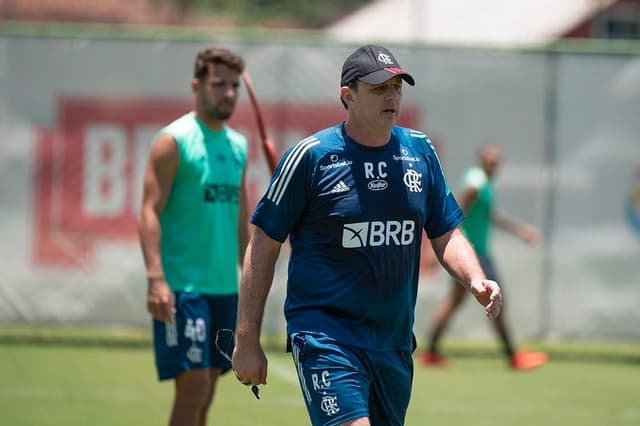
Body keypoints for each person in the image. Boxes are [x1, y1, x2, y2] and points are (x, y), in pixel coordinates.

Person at [232, 44, 502, 426]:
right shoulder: (310, 156)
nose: (392, 96)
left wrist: (475, 278)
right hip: (326, 336)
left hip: (392, 343)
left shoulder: (420, 151)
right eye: (379, 88)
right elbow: (263, 246)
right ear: (348, 95)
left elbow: (446, 232)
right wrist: (246, 339)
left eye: (397, 87)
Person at [137, 47, 249, 426]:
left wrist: (250, 280)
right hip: (183, 289)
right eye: (219, 85)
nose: (229, 93)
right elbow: (149, 209)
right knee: (194, 388)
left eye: (234, 86)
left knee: (207, 395)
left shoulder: (238, 145)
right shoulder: (173, 141)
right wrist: (156, 279)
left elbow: (240, 217)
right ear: (196, 85)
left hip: (225, 291)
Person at [420, 144, 548, 370]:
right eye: (490, 160)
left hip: (478, 252)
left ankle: (430, 352)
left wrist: (520, 231)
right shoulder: (476, 183)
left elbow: (490, 215)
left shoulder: (484, 183)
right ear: (480, 160)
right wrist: (438, 247)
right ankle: (512, 357)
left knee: (454, 303)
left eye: (497, 161)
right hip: (474, 254)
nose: (494, 164)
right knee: (496, 298)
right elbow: (455, 212)